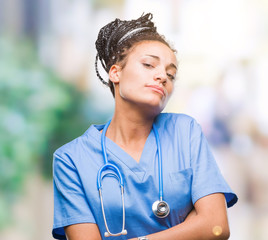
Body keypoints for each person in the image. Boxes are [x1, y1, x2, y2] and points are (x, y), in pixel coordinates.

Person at [52, 13, 237, 240]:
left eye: (171, 74)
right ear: (115, 72)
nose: (162, 77)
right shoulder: (71, 160)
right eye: (149, 64)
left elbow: (216, 226)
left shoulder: (185, 131)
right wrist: (191, 225)